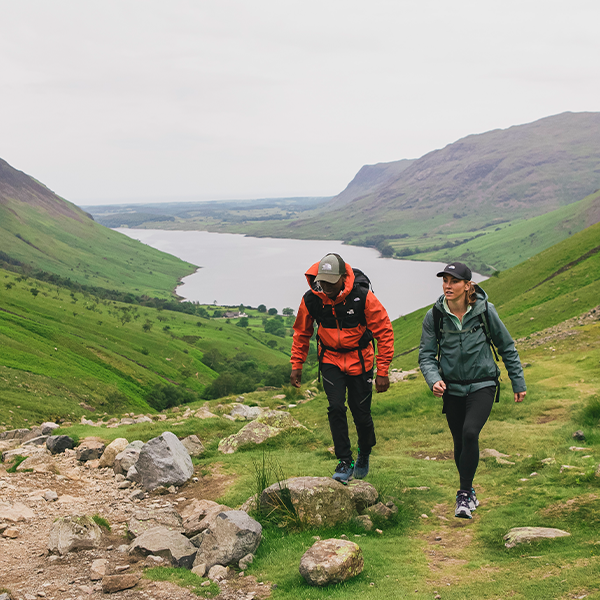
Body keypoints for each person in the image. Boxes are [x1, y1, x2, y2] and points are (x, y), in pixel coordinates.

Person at [418, 262, 526, 519]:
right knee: (460, 441)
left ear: (467, 285)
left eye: (453, 281)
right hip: (452, 388)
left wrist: (518, 382)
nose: (447, 285)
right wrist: (433, 379)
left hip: (483, 384)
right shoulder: (435, 315)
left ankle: (463, 494)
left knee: (469, 433)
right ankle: (470, 491)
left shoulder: (485, 311)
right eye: (444, 280)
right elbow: (426, 355)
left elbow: (506, 346)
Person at [290, 253, 394, 482]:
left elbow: (384, 331)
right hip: (330, 360)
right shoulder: (311, 299)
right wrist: (297, 364)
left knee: (361, 414)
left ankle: (364, 452)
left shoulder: (362, 297)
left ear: (343, 278)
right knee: (336, 407)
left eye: (331, 281)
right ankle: (344, 461)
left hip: (361, 360)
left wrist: (383, 371)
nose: (325, 286)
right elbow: (302, 332)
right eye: (322, 280)